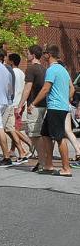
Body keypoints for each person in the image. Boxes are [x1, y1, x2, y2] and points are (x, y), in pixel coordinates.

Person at [31, 46, 75, 177]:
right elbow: (71, 88)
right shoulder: (63, 70)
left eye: (44, 53)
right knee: (45, 134)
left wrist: (33, 103)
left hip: (55, 108)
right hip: (59, 107)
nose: (43, 55)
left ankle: (66, 168)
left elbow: (45, 89)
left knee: (59, 137)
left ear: (48, 55)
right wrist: (65, 99)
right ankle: (48, 165)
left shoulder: (51, 69)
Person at [20, 45, 48, 172]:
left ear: (33, 54)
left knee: (35, 135)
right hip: (44, 105)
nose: (26, 54)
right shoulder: (44, 68)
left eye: (27, 52)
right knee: (41, 135)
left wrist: (20, 105)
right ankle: (43, 161)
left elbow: (27, 88)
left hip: (34, 106)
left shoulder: (31, 69)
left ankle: (42, 162)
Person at [5, 53, 29, 162]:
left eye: (7, 60)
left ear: (11, 62)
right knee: (15, 127)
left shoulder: (11, 72)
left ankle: (29, 144)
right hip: (21, 103)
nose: (6, 61)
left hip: (14, 103)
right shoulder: (21, 73)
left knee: (11, 128)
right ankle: (12, 149)